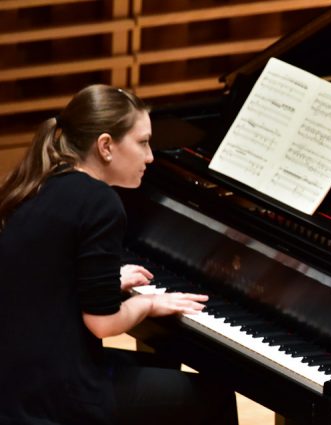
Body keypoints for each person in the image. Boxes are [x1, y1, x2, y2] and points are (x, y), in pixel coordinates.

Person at [0, 85, 238, 425]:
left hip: (17, 380)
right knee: (213, 397)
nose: (151, 156)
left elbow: (45, 276)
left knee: (163, 373)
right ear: (106, 146)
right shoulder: (100, 203)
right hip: (56, 396)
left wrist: (107, 282)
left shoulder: (43, 181)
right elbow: (102, 324)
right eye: (142, 142)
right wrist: (148, 304)